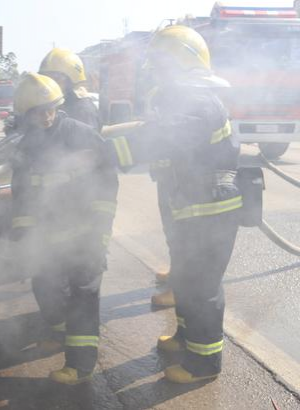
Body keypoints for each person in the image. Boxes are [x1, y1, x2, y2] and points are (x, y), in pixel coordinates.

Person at [105, 25, 242, 383]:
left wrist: (109, 151)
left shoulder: (201, 103)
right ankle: (186, 338)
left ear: (184, 63)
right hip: (189, 211)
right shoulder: (185, 100)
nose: (156, 71)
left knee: (202, 286)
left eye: (163, 64)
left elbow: (165, 139)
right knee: (184, 279)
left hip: (210, 212)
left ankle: (204, 364)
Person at [9, 72, 118, 385]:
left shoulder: (79, 134)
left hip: (85, 235)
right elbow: (23, 195)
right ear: (26, 115)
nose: (46, 116)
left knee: (83, 295)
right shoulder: (27, 146)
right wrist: (22, 234)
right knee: (44, 285)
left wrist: (101, 232)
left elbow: (107, 180)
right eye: (38, 111)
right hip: (48, 238)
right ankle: (58, 336)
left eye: (50, 109)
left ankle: (80, 366)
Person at [33, 48, 117, 350]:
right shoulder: (49, 107)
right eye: (49, 77)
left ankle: (69, 336)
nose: (52, 82)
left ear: (71, 79)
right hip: (55, 206)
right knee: (51, 273)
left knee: (74, 274)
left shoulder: (79, 109)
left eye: (58, 77)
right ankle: (60, 328)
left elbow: (89, 160)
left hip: (77, 204)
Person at [39, 48, 101, 130]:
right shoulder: (50, 105)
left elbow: (86, 141)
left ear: (71, 81)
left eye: (56, 78)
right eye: (45, 78)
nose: (49, 83)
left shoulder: (82, 109)